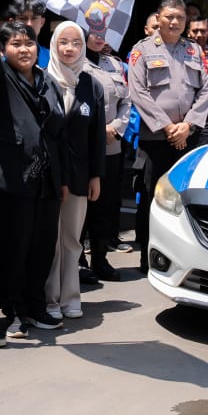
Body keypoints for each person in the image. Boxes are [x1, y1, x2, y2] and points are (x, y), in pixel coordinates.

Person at [0, 0, 67, 339]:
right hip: (12, 179)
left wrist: (62, 180)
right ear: (3, 49)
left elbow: (58, 133)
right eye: (16, 44)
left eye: (29, 43)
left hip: (47, 181)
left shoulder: (47, 81)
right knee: (14, 248)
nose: (24, 49)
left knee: (42, 247)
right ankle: (12, 310)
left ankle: (36, 305)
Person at [126, 0, 208, 273]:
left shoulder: (194, 51)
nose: (174, 22)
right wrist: (167, 126)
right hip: (155, 140)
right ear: (159, 18)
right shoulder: (141, 51)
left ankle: (187, 258)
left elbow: (206, 90)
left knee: (187, 198)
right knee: (153, 198)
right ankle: (149, 257)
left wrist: (188, 125)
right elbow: (138, 92)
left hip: (188, 137)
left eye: (180, 17)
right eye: (169, 17)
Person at [43, 20, 104, 322]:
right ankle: (49, 299)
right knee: (50, 241)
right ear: (54, 45)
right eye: (63, 42)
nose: (69, 48)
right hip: (49, 176)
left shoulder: (91, 85)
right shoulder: (41, 81)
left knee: (72, 240)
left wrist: (96, 175)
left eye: (76, 43)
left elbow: (97, 136)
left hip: (80, 176)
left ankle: (71, 297)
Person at [83, 23, 131, 281]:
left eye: (104, 32)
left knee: (105, 205)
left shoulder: (113, 64)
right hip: (84, 146)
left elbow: (126, 101)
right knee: (82, 207)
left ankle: (100, 259)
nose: (100, 37)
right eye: (94, 32)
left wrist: (116, 127)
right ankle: (78, 262)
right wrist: (99, 130)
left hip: (112, 144)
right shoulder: (74, 62)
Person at [5, 0, 51, 67]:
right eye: (23, 18)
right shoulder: (0, 59)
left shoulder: (53, 58)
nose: (29, 24)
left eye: (34, 18)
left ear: (42, 22)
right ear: (12, 22)